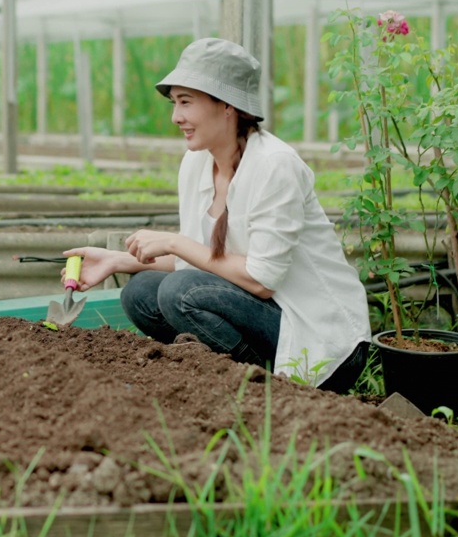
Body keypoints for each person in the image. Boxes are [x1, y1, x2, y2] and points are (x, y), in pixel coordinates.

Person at [65, 38, 370, 393]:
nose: (176, 117)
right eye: (174, 103)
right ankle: (225, 380)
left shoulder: (274, 166)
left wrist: (175, 243)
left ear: (227, 105)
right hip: (264, 313)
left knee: (180, 292)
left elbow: (261, 279)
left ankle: (267, 388)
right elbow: (205, 262)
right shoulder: (196, 162)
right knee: (141, 293)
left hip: (319, 337)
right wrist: (118, 260)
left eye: (186, 102)